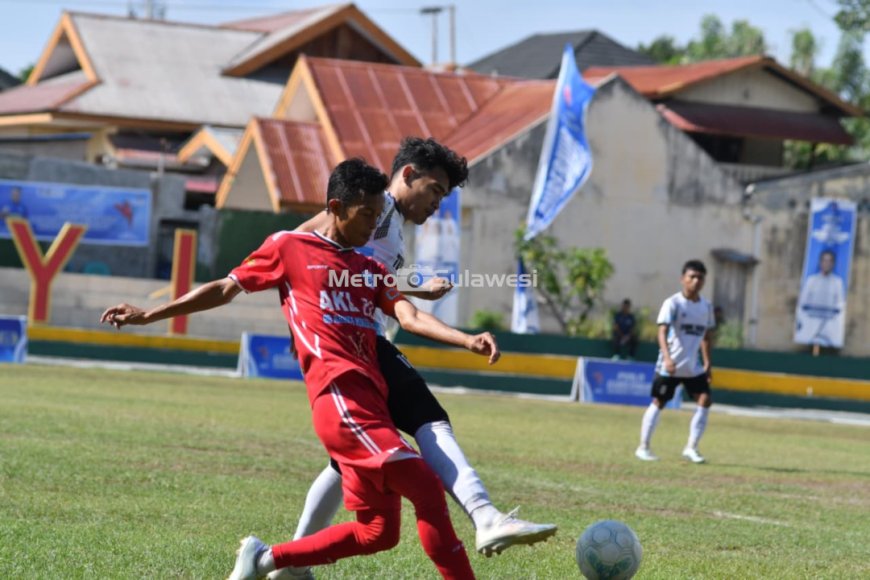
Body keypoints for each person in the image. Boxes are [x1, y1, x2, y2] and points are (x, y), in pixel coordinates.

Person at [100, 158, 488, 580]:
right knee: (427, 485)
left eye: (379, 217)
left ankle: (264, 560)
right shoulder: (289, 248)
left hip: (372, 404)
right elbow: (225, 288)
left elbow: (410, 317)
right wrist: (151, 313)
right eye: (366, 216)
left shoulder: (369, 269)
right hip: (339, 401)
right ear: (336, 207)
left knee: (378, 533)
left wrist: (467, 339)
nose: (373, 227)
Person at [279, 138, 555, 578]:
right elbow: (301, 242)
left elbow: (361, 271)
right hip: (359, 344)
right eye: (435, 191)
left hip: (354, 345)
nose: (436, 204)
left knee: (344, 462)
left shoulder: (388, 224)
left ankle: (290, 562)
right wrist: (308, 315)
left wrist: (412, 286)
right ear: (407, 175)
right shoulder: (380, 207)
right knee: (429, 416)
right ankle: (484, 515)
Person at [635, 260, 715, 464]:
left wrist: (707, 363)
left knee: (705, 400)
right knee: (658, 402)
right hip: (670, 365)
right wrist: (668, 358)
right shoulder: (673, 303)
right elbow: (661, 332)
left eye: (700, 277)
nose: (696, 281)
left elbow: (706, 336)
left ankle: (691, 447)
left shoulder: (706, 307)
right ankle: (643, 447)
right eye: (692, 277)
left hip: (693, 366)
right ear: (683, 279)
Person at [795, 249, 846, 347]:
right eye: (824, 260)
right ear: (820, 262)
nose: (827, 264)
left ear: (833, 264)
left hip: (829, 327)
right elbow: (803, 302)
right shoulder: (811, 280)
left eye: (829, 261)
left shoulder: (837, 282)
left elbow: (840, 305)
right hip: (810, 325)